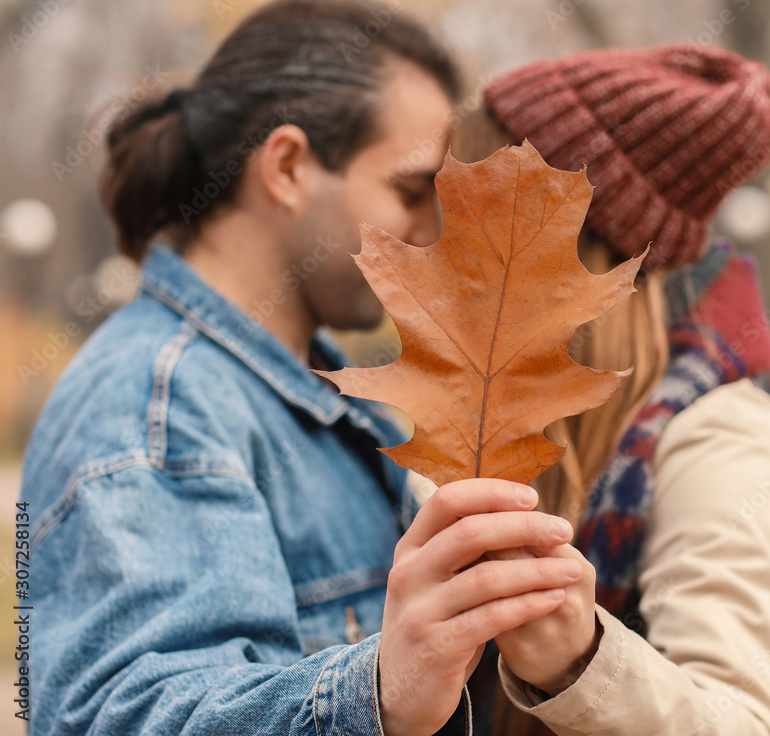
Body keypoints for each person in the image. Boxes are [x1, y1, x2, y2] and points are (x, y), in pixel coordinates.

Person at [20, 2, 589, 734]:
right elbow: (123, 718)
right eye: (412, 192)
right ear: (287, 166)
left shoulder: (322, 397)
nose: (431, 232)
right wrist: (378, 691)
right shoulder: (157, 408)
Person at [452, 45, 770, 735]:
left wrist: (579, 664)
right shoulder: (509, 424)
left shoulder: (719, 445)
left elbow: (744, 722)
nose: (435, 240)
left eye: (467, 205)